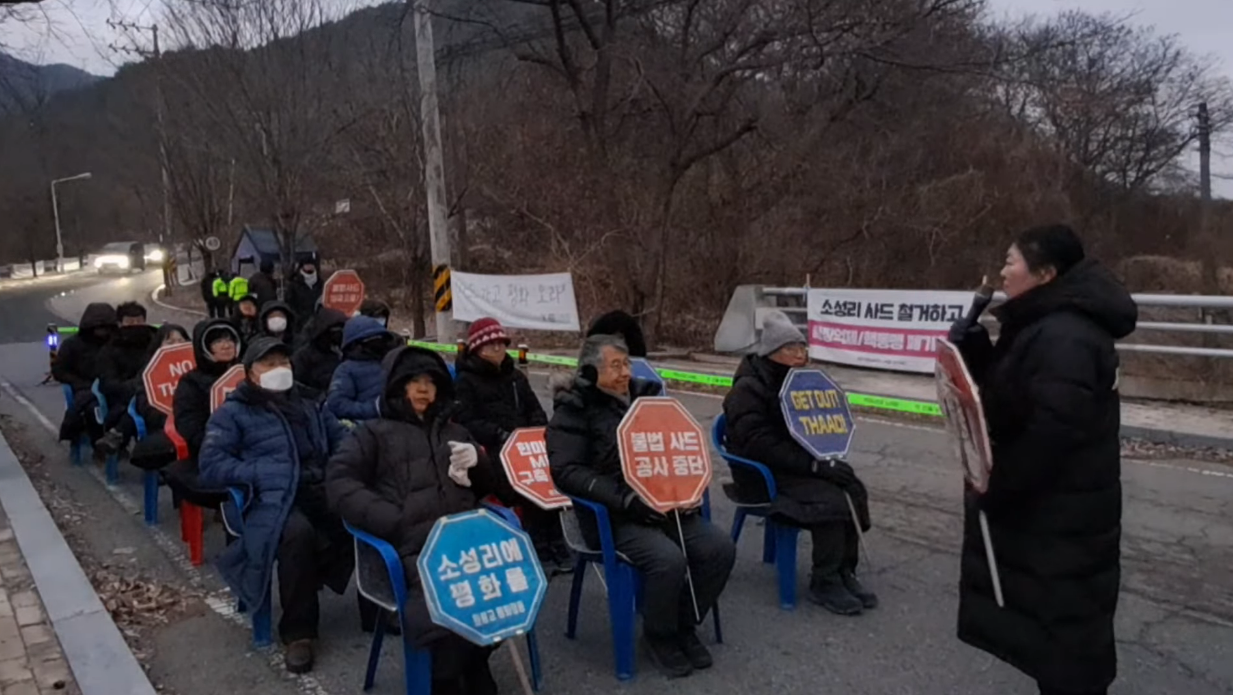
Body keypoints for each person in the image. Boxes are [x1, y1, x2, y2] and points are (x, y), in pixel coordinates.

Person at [950, 225, 1135, 695]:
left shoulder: (1066, 336)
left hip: (1063, 521)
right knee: (1054, 642)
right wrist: (976, 353)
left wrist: (994, 486)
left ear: (1046, 273)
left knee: (1069, 651)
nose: (1003, 271)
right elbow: (1017, 398)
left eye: (1011, 261)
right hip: (1050, 519)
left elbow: (1051, 434)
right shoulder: (1042, 322)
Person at [547, 333, 735, 679]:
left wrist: (687, 487)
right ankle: (659, 635)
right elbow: (567, 471)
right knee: (668, 560)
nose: (624, 373)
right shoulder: (574, 409)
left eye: (626, 364)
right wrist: (626, 500)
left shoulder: (648, 399)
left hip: (666, 505)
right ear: (590, 370)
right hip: (614, 515)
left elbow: (678, 449)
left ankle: (683, 623)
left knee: (718, 549)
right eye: (614, 366)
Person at [327, 345, 507, 695]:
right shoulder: (372, 433)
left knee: (503, 590)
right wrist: (392, 519)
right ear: (397, 387)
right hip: (413, 548)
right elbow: (339, 483)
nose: (424, 389)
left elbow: (495, 488)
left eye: (431, 382)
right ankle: (447, 676)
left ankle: (474, 660)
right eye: (414, 381)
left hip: (465, 541)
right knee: (440, 606)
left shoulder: (456, 433)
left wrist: (480, 463)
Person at [199, 337, 354, 675]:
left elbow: (343, 439)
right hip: (268, 497)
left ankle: (379, 609)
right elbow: (211, 465)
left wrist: (342, 466)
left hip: (316, 486)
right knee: (297, 535)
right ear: (250, 373)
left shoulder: (310, 402)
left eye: (283, 362)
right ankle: (299, 633)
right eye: (268, 364)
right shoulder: (233, 412)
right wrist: (260, 472)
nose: (278, 369)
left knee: (367, 512)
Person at [722, 310, 875, 615]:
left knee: (851, 485)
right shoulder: (748, 389)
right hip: (761, 472)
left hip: (796, 463)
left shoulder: (802, 382)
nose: (799, 355)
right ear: (771, 352)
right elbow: (759, 444)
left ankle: (845, 570)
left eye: (802, 347)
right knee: (830, 499)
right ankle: (825, 580)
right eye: (790, 348)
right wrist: (814, 466)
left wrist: (828, 450)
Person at [454, 318, 569, 572]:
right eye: (490, 344)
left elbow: (535, 409)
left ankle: (557, 540)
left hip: (526, 445)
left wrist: (536, 430)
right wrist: (499, 434)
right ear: (477, 349)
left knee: (549, 477)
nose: (497, 349)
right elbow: (467, 421)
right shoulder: (465, 382)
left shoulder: (516, 377)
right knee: (523, 484)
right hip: (494, 449)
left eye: (501, 343)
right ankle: (537, 545)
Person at [96, 323, 189, 457]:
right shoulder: (150, 369)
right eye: (170, 342)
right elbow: (143, 398)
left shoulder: (199, 366)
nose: (176, 345)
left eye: (181, 341)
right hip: (161, 420)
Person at [54, 302, 116, 444]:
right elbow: (59, 370)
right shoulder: (72, 345)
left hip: (113, 389)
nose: (102, 332)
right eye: (98, 328)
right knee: (93, 411)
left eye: (106, 328)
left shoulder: (117, 343)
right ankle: (98, 444)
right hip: (85, 390)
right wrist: (81, 384)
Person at [97, 302, 158, 431]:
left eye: (139, 321)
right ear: (120, 324)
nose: (135, 325)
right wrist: (138, 386)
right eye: (130, 322)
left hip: (159, 394)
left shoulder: (156, 343)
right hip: (126, 399)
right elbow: (108, 384)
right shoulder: (109, 350)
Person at [326, 316, 399, 423]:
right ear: (355, 345)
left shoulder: (393, 361)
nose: (377, 345)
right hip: (367, 429)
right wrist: (374, 408)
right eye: (371, 341)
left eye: (380, 340)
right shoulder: (346, 370)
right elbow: (337, 404)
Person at [292, 308, 346, 399]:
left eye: (341, 330)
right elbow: (296, 384)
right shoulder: (304, 356)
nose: (338, 335)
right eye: (334, 331)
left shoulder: (345, 353)